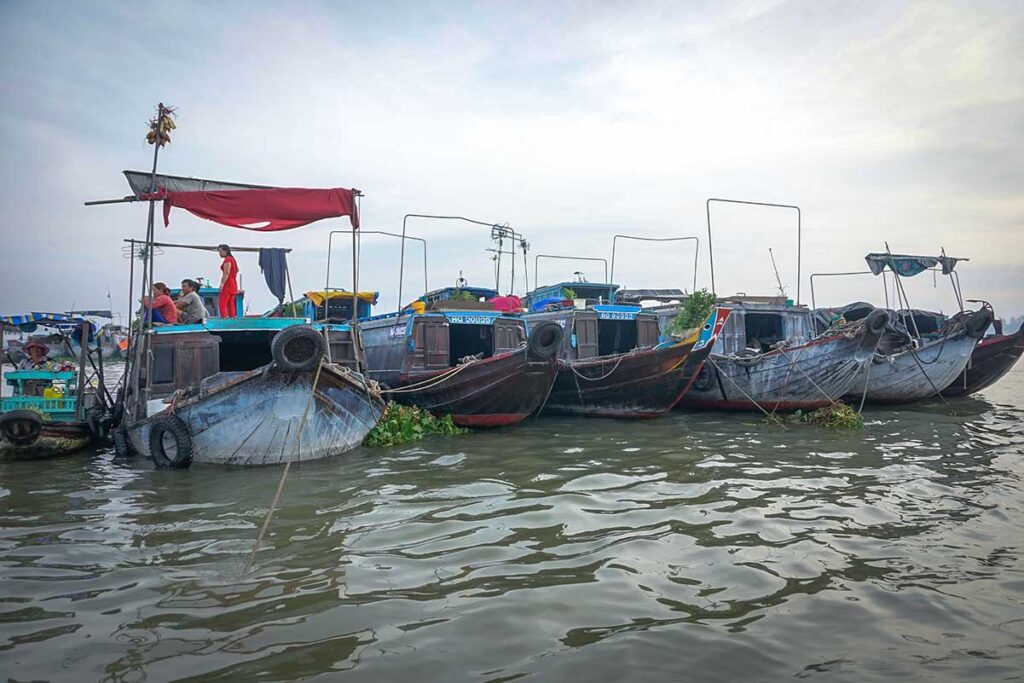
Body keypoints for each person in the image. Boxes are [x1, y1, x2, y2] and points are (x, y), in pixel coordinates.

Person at [218, 244, 239, 318]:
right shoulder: (232, 259)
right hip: (233, 282)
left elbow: (226, 272)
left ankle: (224, 319)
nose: (219, 253)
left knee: (222, 303)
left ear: (225, 251)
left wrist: (222, 284)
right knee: (231, 303)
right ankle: (232, 318)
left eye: (221, 251)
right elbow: (237, 270)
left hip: (228, 284)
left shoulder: (228, 259)